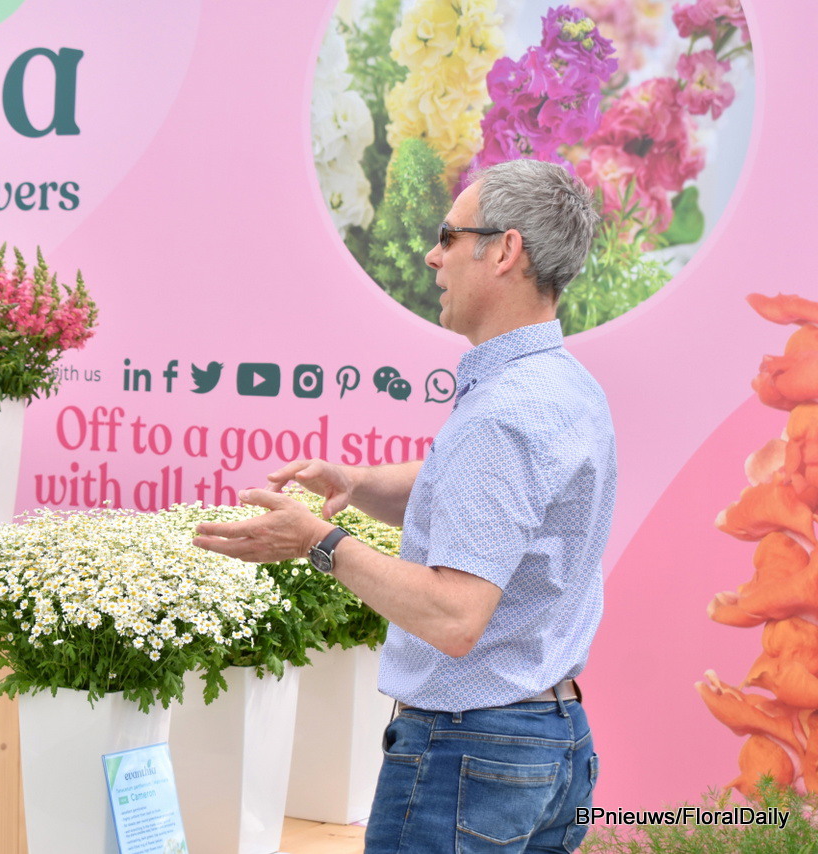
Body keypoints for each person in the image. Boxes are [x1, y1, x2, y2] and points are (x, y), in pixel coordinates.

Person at [193, 158, 616, 853]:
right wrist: (359, 483)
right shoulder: (565, 387)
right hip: (552, 744)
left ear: (504, 251)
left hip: (470, 754)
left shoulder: (502, 414)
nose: (431, 255)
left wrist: (316, 542)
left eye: (449, 237)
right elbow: (489, 504)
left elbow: (455, 617)